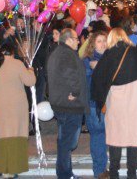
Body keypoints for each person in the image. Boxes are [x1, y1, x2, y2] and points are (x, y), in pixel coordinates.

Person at [91, 28, 137, 179]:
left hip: (116, 102)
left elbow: (98, 80)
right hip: (135, 101)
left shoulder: (108, 55)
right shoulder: (136, 52)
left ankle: (114, 173)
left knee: (115, 138)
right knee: (134, 138)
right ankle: (132, 173)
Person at [0, 42, 36, 178]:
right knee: (15, 135)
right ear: (12, 53)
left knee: (1, 135)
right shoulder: (17, 64)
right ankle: (10, 170)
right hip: (17, 106)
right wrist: (31, 71)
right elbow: (30, 81)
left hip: (0, 105)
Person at [47, 28, 88, 179]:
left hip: (61, 103)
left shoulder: (57, 53)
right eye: (76, 38)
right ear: (69, 39)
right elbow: (71, 75)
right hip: (70, 106)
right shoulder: (67, 54)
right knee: (68, 142)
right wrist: (75, 93)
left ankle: (65, 172)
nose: (78, 41)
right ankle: (64, 174)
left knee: (64, 141)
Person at [82, 31, 108, 178]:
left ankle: (106, 166)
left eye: (104, 40)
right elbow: (84, 79)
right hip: (94, 104)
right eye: (99, 41)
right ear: (93, 44)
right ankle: (100, 170)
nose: (103, 43)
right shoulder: (88, 60)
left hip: (109, 103)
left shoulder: (110, 57)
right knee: (98, 135)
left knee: (106, 136)